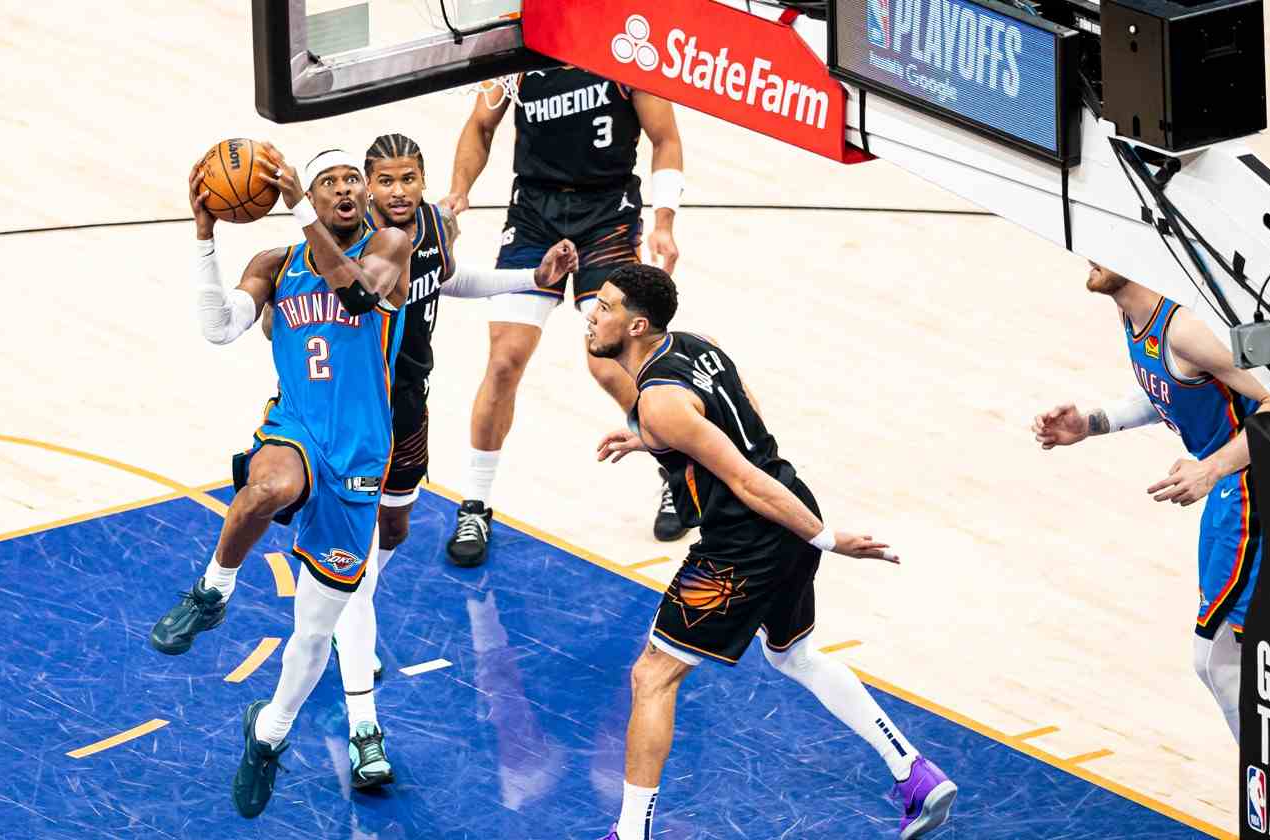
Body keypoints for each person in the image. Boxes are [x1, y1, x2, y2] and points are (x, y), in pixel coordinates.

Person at [586, 265, 955, 840]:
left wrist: (830, 540)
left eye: (604, 307)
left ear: (636, 325)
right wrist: (655, 440)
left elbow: (743, 481)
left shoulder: (660, 401)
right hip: (787, 500)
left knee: (653, 675)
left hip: (745, 540)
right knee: (794, 655)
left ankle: (631, 834)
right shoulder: (697, 347)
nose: (592, 313)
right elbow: (741, 419)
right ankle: (914, 771)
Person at [147, 146, 411, 818]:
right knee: (262, 490)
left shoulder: (391, 245)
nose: (345, 189)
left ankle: (269, 735)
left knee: (314, 631)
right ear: (314, 197)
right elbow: (217, 329)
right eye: (328, 183)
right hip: (294, 427)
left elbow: (355, 289)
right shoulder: (275, 265)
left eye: (352, 179)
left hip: (359, 453)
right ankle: (213, 590)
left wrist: (298, 205)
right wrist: (204, 233)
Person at [326, 132, 576, 789]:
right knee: (354, 569)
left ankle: (340, 616)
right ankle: (364, 731)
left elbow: (453, 278)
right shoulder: (351, 244)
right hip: (353, 417)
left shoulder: (436, 222)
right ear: (366, 186)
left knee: (394, 533)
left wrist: (532, 278)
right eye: (385, 182)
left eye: (410, 178)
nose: (399, 192)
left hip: (410, 402)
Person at [440, 66, 689, 567]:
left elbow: (665, 138)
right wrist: (459, 190)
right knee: (505, 361)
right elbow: (481, 125)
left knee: (613, 362)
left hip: (608, 213)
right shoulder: (517, 49)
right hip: (533, 214)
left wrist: (664, 220)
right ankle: (475, 503)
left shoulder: (624, 42)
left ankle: (679, 474)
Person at [1031, 263, 1270, 741]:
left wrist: (1211, 468)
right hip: (1233, 487)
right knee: (1230, 655)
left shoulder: (1188, 330)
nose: (1090, 259)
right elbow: (1168, 391)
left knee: (1220, 657)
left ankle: (1268, 795)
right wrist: (1091, 423)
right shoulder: (1136, 320)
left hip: (1252, 486)